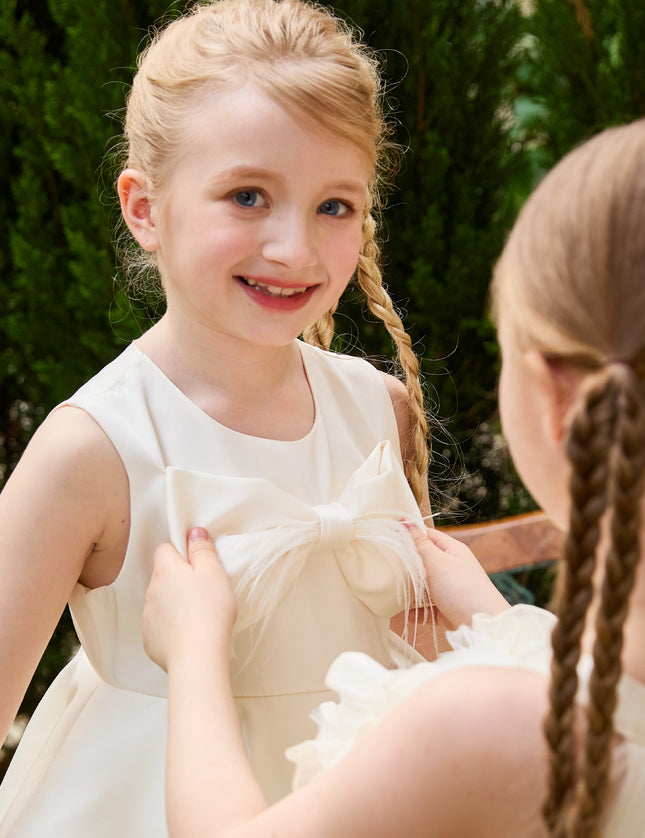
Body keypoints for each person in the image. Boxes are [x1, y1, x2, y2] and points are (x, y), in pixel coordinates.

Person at [0, 1, 434, 835]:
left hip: (357, 799)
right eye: (247, 195)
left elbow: (412, 636)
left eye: (333, 206)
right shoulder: (94, 449)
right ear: (145, 207)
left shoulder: (376, 407)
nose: (294, 249)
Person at [142, 119, 645, 837]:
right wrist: (496, 625)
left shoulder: (475, 729)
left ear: (555, 395)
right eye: (247, 195)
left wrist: (193, 652)